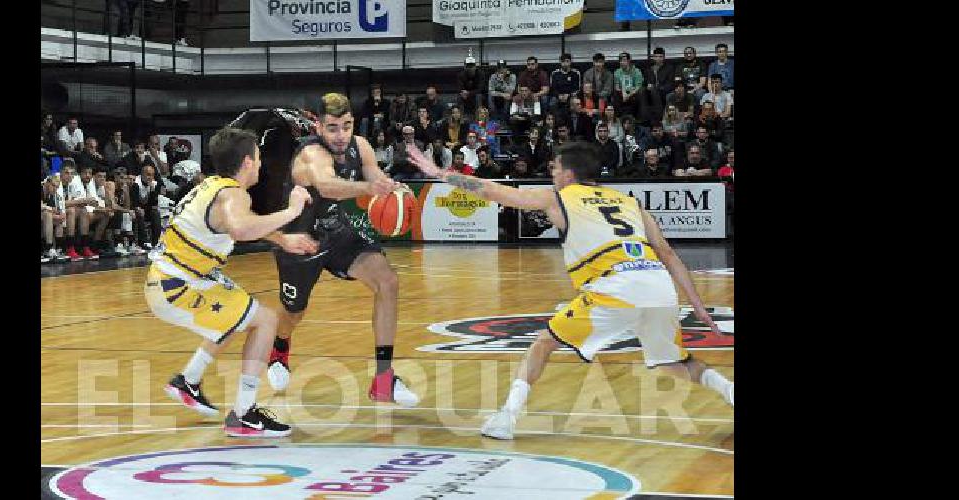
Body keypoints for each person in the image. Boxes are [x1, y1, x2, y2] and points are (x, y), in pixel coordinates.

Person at [404, 141, 734, 441]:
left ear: (569, 174)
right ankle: (729, 390)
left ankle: (506, 417)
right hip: (657, 283)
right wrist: (698, 305)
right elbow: (669, 254)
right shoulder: (629, 202)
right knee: (674, 362)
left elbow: (492, 192)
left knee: (543, 343)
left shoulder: (559, 197)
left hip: (615, 285)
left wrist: (441, 174)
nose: (552, 174)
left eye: (554, 169)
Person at [177, 95, 421, 408]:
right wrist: (367, 189)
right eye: (332, 128)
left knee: (387, 281)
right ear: (318, 126)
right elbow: (328, 185)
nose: (340, 135)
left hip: (337, 231)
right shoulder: (310, 153)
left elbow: (374, 175)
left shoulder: (360, 146)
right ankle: (281, 345)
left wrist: (389, 186)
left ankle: (384, 380)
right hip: (299, 240)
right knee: (293, 314)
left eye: (346, 126)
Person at [150, 126, 314, 437]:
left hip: (181, 278)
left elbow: (238, 223)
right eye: (259, 156)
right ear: (248, 162)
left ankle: (188, 380)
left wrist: (282, 240)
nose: (262, 162)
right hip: (177, 284)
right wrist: (291, 211)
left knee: (238, 314)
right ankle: (243, 414)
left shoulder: (214, 186)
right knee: (265, 321)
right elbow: (240, 229)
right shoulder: (233, 194)